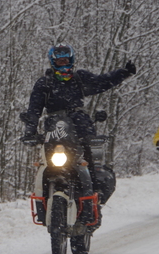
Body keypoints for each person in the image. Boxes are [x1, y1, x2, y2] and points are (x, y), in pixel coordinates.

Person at [21, 44, 135, 203]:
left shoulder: (79, 78)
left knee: (90, 153)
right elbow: (34, 109)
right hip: (55, 127)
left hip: (80, 124)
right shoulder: (44, 83)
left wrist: (123, 73)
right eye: (59, 61)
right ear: (53, 62)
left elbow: (102, 81)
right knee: (44, 160)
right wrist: (30, 131)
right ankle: (44, 195)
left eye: (66, 60)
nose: (63, 63)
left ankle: (93, 192)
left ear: (72, 60)